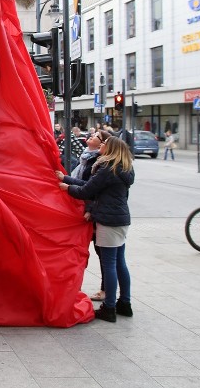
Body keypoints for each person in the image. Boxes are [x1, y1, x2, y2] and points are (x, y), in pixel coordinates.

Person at [58, 136, 134, 322]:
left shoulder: (108, 168)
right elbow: (91, 185)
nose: (101, 144)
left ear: (111, 149)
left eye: (104, 143)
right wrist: (66, 178)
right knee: (119, 263)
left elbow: (87, 191)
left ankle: (109, 308)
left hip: (108, 221)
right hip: (120, 219)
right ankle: (124, 303)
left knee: (109, 264)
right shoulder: (122, 168)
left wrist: (66, 187)